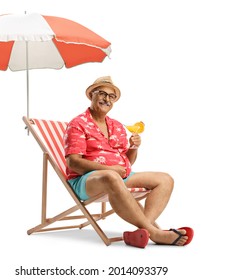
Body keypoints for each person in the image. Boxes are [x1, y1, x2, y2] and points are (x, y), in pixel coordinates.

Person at [64, 76, 193, 248]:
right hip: (87, 180)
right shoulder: (78, 123)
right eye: (101, 93)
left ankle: (142, 231)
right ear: (91, 96)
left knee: (165, 179)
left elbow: (127, 163)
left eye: (111, 96)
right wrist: (109, 169)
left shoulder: (117, 126)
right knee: (111, 176)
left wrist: (133, 148)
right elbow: (73, 163)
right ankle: (155, 233)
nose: (106, 99)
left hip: (120, 176)